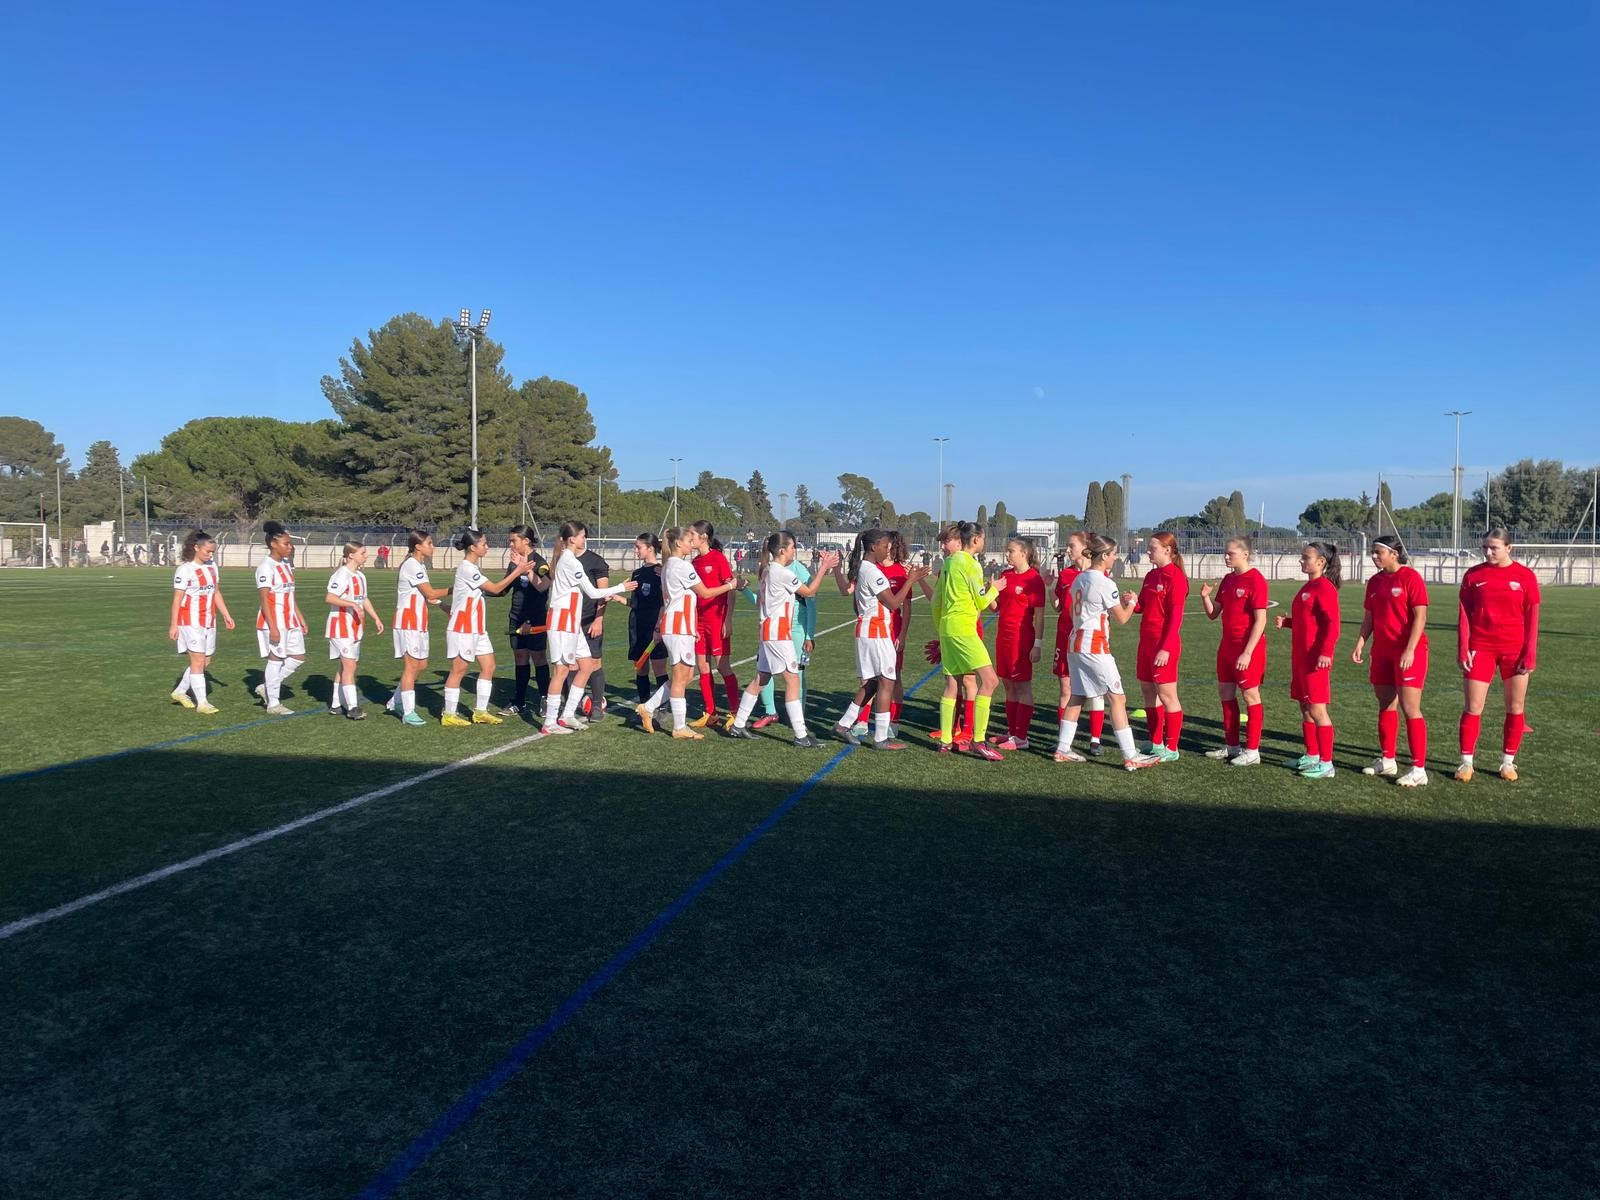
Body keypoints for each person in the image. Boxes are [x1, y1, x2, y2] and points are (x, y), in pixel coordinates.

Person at [1054, 534, 1161, 770]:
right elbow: (1122, 618)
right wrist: (1132, 602)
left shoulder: (1079, 578)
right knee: (1117, 698)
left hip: (1075, 642)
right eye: (1113, 554)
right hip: (1094, 646)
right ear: (1104, 556)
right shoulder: (1104, 582)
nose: (1115, 558)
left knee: (1077, 696)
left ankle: (1062, 749)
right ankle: (1130, 755)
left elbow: (1072, 610)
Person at [726, 532, 838, 746]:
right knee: (793, 680)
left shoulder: (768, 571)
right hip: (778, 633)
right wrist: (824, 567)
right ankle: (801, 735)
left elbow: (761, 601)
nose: (795, 550)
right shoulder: (782, 573)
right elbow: (809, 592)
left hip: (768, 632)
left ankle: (738, 725)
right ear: (782, 550)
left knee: (761, 679)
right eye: (792, 547)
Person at [1455, 527, 1541, 782]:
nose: (1488, 552)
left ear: (1509, 548)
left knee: (1515, 706)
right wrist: (1463, 648)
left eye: (1494, 547)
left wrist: (1530, 653)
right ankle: (1466, 763)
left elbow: (1532, 617)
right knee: (1473, 706)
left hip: (1514, 650)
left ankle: (1507, 763)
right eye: (1485, 547)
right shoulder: (1473, 575)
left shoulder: (1525, 576)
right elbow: (1464, 614)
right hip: (1480, 648)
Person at [637, 526, 739, 738]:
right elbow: (705, 593)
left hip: (680, 626)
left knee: (686, 675)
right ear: (678, 543)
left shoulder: (669, 565)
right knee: (680, 677)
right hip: (678, 627)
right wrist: (731, 585)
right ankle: (679, 727)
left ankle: (648, 707)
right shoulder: (682, 566)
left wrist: (692, 628)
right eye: (687, 540)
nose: (690, 543)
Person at [833, 530, 927, 749]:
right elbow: (893, 604)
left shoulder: (863, 569)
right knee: (887, 680)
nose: (888, 551)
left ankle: (843, 724)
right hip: (876, 632)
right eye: (885, 547)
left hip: (868, 630)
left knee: (874, 682)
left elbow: (856, 604)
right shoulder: (872, 571)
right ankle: (881, 738)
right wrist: (910, 580)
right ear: (874, 547)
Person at [541, 521, 636, 734]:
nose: (585, 539)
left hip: (571, 623)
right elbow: (592, 592)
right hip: (563, 622)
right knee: (561, 671)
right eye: (582, 536)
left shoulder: (568, 560)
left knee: (586, 666)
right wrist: (621, 587)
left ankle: (567, 715)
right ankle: (549, 723)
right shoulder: (570, 561)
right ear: (572, 539)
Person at [1351, 534, 1430, 786]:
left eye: (1379, 552)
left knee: (1410, 707)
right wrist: (1361, 642)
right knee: (1385, 703)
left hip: (1408, 652)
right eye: (1373, 552)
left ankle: (1419, 769)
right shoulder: (1374, 582)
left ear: (1394, 554)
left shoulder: (1410, 578)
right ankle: (1387, 760)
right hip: (1382, 651)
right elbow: (1369, 617)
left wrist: (1410, 649)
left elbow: (1420, 617)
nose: (1374, 556)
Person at [440, 529, 531, 726]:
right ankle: (449, 714)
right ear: (473, 548)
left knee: (489, 666)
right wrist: (518, 570)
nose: (487, 547)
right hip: (463, 628)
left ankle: (480, 712)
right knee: (459, 669)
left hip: (477, 629)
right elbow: (496, 589)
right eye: (483, 544)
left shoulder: (472, 568)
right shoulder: (467, 569)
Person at [932, 522, 1004, 759]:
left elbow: (936, 602)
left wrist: (941, 632)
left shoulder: (949, 562)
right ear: (975, 540)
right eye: (983, 538)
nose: (984, 542)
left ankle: (945, 741)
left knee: (952, 684)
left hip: (947, 628)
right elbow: (982, 602)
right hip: (964, 628)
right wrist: (995, 588)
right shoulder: (971, 564)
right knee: (990, 681)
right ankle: (978, 740)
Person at [1275, 542, 1343, 779]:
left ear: (1321, 562)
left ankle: (1327, 764)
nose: (1301, 560)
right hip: (1301, 658)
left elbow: (1332, 624)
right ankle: (1312, 754)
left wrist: (1326, 652)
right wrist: (1288, 623)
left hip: (1315, 660)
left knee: (1317, 709)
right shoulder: (1308, 586)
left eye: (1306, 557)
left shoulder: (1324, 588)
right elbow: (1308, 621)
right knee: (1305, 708)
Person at [1200, 536, 1270, 766]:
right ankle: (1232, 747)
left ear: (1245, 554)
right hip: (1227, 647)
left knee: (1250, 695)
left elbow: (1261, 620)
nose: (1226, 556)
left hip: (1247, 647)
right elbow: (1213, 613)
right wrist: (1205, 597)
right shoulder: (1228, 580)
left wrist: (1247, 652)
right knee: (1225, 693)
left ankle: (1253, 751)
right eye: (1226, 553)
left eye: (1231, 553)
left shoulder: (1256, 580)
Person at [1050, 531, 1107, 755]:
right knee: (1066, 688)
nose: (1067, 550)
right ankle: (1064, 740)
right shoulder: (1065, 575)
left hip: (1090, 639)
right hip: (1065, 637)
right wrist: (1049, 588)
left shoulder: (1099, 575)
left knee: (1096, 689)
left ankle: (1095, 740)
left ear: (1085, 548)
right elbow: (1058, 607)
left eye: (1071, 545)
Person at [1133, 532, 1189, 761]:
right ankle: (1156, 742)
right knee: (1148, 692)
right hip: (1146, 642)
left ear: (1167, 550)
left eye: (1152, 548)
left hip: (1164, 644)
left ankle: (1172, 748)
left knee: (1167, 695)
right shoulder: (1151, 575)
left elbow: (1176, 618)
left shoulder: (1175, 577)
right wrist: (1131, 602)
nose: (1148, 551)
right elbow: (1142, 607)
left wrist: (1165, 648)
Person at [388, 529, 452, 726]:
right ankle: (408, 712)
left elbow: (427, 596)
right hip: (408, 622)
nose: (433, 546)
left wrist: (444, 607)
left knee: (421, 665)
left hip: (419, 622)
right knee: (411, 666)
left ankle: (395, 700)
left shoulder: (420, 565)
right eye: (429, 543)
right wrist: (456, 588)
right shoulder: (411, 565)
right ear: (417, 546)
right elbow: (430, 592)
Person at [168, 529, 234, 714]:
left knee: (205, 661)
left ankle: (180, 691)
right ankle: (202, 703)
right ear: (196, 548)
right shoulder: (185, 570)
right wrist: (174, 625)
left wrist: (226, 614)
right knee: (197, 660)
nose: (211, 555)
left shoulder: (212, 567)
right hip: (190, 621)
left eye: (213, 552)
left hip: (209, 620)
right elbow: (177, 599)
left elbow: (216, 592)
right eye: (208, 551)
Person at [992, 536, 1047, 751]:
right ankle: (1012, 731)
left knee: (1022, 685)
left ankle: (1022, 737)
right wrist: (989, 591)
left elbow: (1039, 616)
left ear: (1023, 554)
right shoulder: (1005, 576)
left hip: (1021, 639)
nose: (1007, 554)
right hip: (1003, 637)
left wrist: (1037, 644)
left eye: (1011, 551)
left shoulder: (1034, 580)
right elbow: (995, 608)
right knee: (1007, 684)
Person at [688, 520, 741, 729]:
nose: (689, 537)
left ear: (703, 537)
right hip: (699, 621)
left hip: (717, 620)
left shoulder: (718, 558)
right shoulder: (694, 562)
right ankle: (710, 712)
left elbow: (731, 589)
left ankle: (736, 712)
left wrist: (728, 619)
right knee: (702, 666)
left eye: (692, 534)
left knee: (722, 666)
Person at [324, 541, 384, 719]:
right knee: (350, 665)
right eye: (362, 553)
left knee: (344, 666)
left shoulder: (360, 576)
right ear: (351, 555)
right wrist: (351, 604)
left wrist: (376, 617)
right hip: (340, 626)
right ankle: (353, 708)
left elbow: (363, 598)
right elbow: (330, 597)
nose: (366, 556)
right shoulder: (341, 574)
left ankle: (336, 705)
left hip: (355, 627)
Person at [253, 521, 307, 716]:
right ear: (273, 544)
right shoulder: (265, 567)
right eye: (286, 543)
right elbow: (264, 600)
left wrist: (300, 617)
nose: (290, 547)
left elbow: (290, 594)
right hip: (274, 621)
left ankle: (266, 687)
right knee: (275, 659)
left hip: (290, 620)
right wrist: (273, 627)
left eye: (290, 543)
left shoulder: (285, 564)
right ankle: (273, 704)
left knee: (298, 657)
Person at [500, 525, 551, 718]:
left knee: (538, 657)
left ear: (526, 541)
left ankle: (545, 699)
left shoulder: (540, 563)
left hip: (535, 619)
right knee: (520, 658)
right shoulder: (513, 563)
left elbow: (542, 590)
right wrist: (479, 589)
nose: (510, 544)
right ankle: (519, 702)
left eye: (513, 540)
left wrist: (529, 620)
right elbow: (504, 589)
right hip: (516, 618)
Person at [575, 539, 615, 721]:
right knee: (571, 664)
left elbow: (603, 594)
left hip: (590, 620)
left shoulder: (596, 561)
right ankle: (571, 704)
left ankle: (597, 706)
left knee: (594, 662)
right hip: (570, 622)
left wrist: (598, 619)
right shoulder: (564, 560)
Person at [627, 533, 669, 704]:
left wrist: (658, 626)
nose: (635, 550)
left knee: (659, 668)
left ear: (650, 548)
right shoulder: (636, 573)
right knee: (640, 667)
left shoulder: (662, 572)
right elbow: (635, 603)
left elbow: (665, 602)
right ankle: (643, 705)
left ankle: (663, 707)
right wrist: (616, 597)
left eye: (638, 547)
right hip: (637, 627)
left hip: (655, 626)